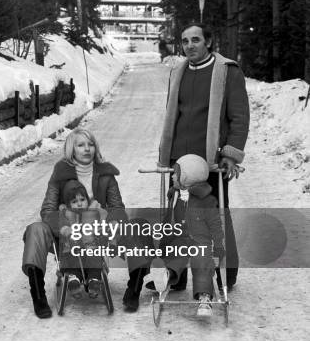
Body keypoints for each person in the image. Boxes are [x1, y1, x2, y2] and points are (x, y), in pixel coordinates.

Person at [158, 23, 249, 291]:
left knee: (217, 217)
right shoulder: (178, 72)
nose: (190, 45)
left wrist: (231, 153)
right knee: (176, 219)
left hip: (211, 162)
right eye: (185, 41)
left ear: (208, 41)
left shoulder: (227, 71)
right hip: (180, 162)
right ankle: (176, 276)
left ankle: (224, 276)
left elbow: (239, 117)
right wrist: (167, 155)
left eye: (195, 40)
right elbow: (172, 115)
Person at [21, 128, 127, 318]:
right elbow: (48, 210)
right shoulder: (60, 174)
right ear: (72, 149)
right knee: (35, 230)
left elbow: (117, 209)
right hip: (66, 233)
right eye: (81, 145)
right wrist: (63, 227)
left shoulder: (105, 175)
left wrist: (111, 228)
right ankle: (38, 295)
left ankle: (94, 275)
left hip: (94, 233)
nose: (87, 149)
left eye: (91, 144)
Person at [145, 155, 226, 316]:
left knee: (202, 261)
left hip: (200, 242)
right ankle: (166, 274)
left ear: (188, 177)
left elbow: (216, 225)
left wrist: (218, 246)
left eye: (176, 173)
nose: (173, 176)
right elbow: (168, 220)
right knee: (176, 254)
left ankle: (205, 298)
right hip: (179, 240)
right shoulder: (174, 196)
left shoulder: (206, 201)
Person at [57, 180, 107, 300]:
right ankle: (74, 280)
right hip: (72, 249)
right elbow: (61, 226)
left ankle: (93, 281)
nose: (79, 204)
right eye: (74, 202)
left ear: (87, 200)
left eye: (82, 200)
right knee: (71, 262)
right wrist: (66, 230)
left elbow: (103, 223)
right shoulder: (66, 214)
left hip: (91, 248)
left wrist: (101, 229)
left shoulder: (94, 212)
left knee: (95, 261)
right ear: (68, 204)